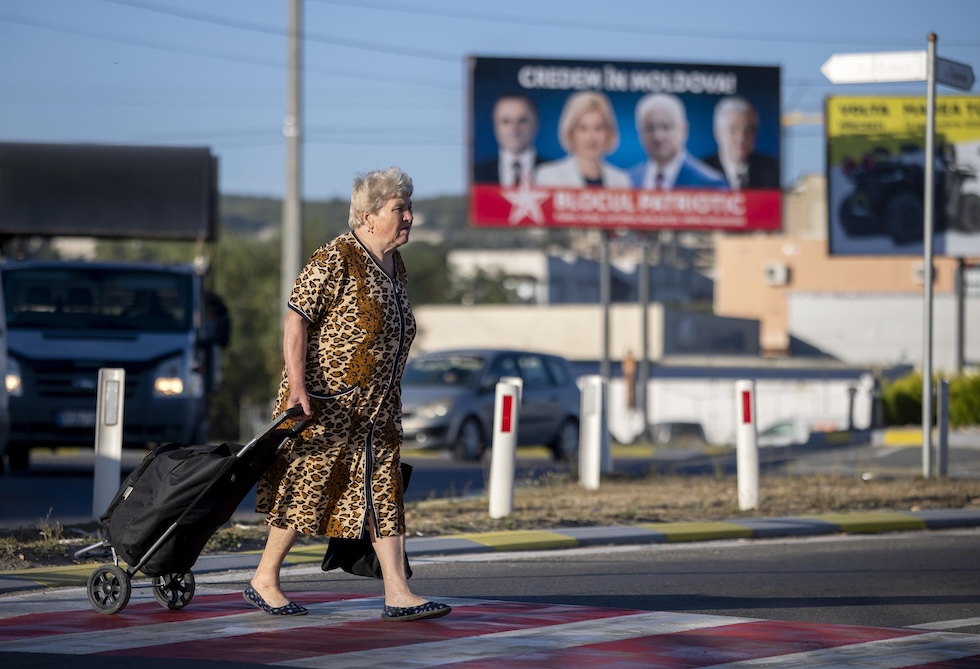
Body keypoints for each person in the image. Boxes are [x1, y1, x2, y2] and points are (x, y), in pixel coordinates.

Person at [247, 166, 451, 622]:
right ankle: (265, 577)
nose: (410, 217)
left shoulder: (396, 266)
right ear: (368, 215)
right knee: (309, 488)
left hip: (378, 409)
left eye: (409, 208)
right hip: (327, 404)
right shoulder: (336, 257)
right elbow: (296, 318)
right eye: (400, 209)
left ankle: (398, 592)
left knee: (385, 492)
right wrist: (296, 385)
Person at [629, 93, 728, 190]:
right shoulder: (628, 180)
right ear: (640, 133)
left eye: (666, 127)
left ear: (684, 130)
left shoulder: (711, 185)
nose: (658, 137)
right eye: (650, 128)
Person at [534, 91, 631, 188]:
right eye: (583, 128)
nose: (591, 137)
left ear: (609, 132)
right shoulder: (549, 176)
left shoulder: (621, 180)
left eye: (598, 128)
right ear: (571, 132)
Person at [703, 96, 780, 190]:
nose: (741, 137)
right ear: (718, 133)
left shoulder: (775, 170)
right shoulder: (701, 172)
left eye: (748, 130)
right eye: (733, 130)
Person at [474, 93, 548, 187]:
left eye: (522, 121)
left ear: (535, 124)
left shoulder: (555, 172)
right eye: (505, 121)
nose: (514, 129)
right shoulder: (476, 174)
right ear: (495, 127)